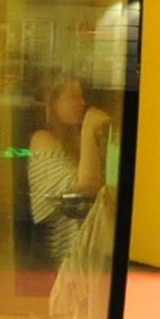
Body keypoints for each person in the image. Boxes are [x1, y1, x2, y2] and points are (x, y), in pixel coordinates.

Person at [26, 69, 116, 269]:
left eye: (82, 96)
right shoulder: (42, 140)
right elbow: (84, 189)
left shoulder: (74, 144)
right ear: (53, 103)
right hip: (63, 259)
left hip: (91, 252)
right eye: (73, 96)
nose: (82, 102)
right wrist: (88, 129)